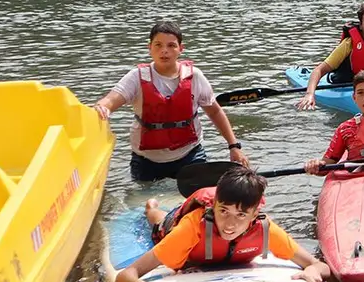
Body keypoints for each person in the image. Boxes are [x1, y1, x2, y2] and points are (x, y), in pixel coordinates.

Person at [115, 166, 331, 282]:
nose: (229, 224)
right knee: (159, 221)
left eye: (241, 215)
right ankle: (151, 207)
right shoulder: (192, 227)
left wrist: (313, 270)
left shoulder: (265, 229)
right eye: (224, 211)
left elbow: (320, 266)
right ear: (214, 206)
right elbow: (126, 275)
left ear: (254, 215)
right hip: (175, 226)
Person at [93, 21, 250, 182]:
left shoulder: (195, 76)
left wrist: (233, 146)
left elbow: (215, 111)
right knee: (144, 204)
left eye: (171, 46)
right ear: (150, 48)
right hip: (146, 162)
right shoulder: (136, 78)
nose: (164, 51)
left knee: (199, 200)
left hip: (190, 155)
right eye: (158, 45)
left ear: (180, 49)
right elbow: (111, 100)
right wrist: (103, 107)